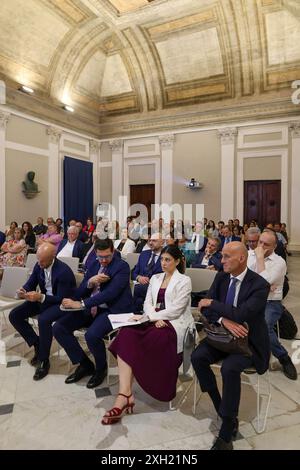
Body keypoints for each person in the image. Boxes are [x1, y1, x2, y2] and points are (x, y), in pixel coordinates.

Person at [191, 242, 270, 450]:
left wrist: (214, 305)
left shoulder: (260, 285)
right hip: (222, 336)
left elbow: (242, 314)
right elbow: (204, 310)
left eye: (226, 257)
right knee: (197, 357)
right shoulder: (221, 276)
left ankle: (226, 429)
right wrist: (224, 320)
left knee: (230, 368)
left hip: (247, 342)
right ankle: (221, 407)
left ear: (241, 259)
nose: (222, 260)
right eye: (222, 256)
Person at [102, 245, 193, 425]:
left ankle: (126, 395)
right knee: (126, 333)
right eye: (162, 259)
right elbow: (147, 303)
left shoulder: (184, 280)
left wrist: (155, 317)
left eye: (168, 260)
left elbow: (176, 310)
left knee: (155, 339)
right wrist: (152, 318)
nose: (164, 263)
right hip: (153, 319)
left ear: (177, 261)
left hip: (174, 325)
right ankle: (125, 393)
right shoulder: (156, 278)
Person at [52, 238, 133, 389]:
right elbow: (81, 290)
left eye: (107, 256)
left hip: (112, 309)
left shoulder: (122, 266)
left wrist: (82, 304)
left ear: (113, 252)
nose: (103, 260)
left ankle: (100, 369)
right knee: (59, 328)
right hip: (93, 307)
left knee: (92, 335)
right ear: (95, 253)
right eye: (100, 256)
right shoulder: (94, 264)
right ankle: (85, 364)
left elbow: (111, 293)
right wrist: (90, 282)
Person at [9, 243, 76, 380]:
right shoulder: (39, 264)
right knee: (14, 315)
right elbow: (31, 282)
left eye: (42, 261)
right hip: (43, 300)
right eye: (38, 260)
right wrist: (24, 289)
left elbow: (63, 299)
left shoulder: (64, 271)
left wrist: (41, 297)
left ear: (53, 257)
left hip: (61, 304)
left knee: (44, 320)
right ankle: (37, 343)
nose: (39, 263)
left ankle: (44, 359)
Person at [247, 230, 297, 380]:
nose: (261, 246)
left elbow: (262, 282)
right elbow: (242, 279)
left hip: (271, 302)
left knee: (264, 325)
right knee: (235, 318)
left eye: (266, 244)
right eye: (260, 242)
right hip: (250, 299)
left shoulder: (279, 262)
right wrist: (262, 285)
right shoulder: (248, 255)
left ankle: (284, 358)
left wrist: (260, 259)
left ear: (275, 246)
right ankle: (250, 355)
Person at [131, 232, 164, 311]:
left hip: (155, 287)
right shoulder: (144, 254)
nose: (151, 243)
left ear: (162, 242)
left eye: (154, 241)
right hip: (140, 286)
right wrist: (139, 277)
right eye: (150, 241)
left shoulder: (166, 256)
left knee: (133, 290)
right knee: (138, 300)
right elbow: (134, 272)